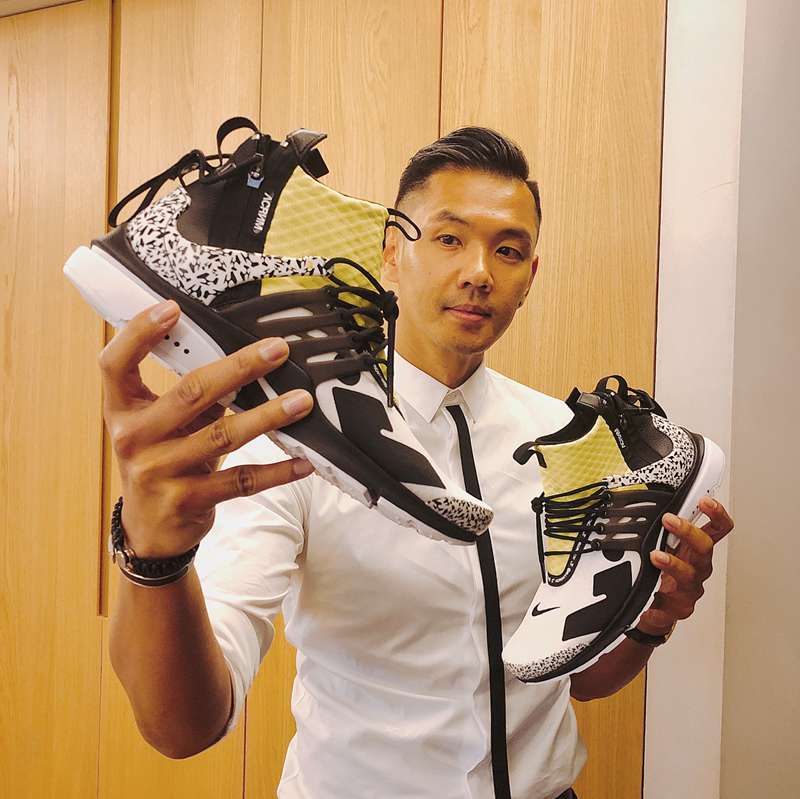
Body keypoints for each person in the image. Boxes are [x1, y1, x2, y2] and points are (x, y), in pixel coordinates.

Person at [104, 128, 734, 799]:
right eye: (449, 238)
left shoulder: (567, 442)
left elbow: (575, 679)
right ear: (391, 253)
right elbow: (185, 726)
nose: (479, 272)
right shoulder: (290, 443)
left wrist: (650, 620)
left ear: (529, 277)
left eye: (508, 250)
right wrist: (155, 559)